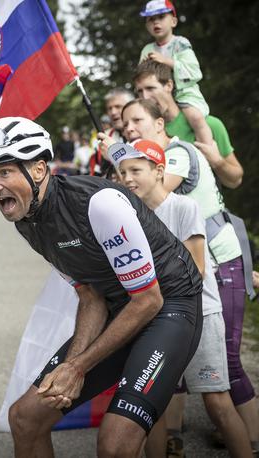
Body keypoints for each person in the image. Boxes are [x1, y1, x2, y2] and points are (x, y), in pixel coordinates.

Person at [0, 116, 203, 457]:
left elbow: (148, 301)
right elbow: (89, 294)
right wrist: (71, 366)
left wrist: (77, 367)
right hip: (121, 307)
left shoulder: (99, 205)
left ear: (37, 170)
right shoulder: (28, 220)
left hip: (169, 308)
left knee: (114, 444)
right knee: (25, 419)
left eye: (4, 172)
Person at [117, 98, 259, 455]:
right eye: (123, 173)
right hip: (160, 316)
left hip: (200, 314)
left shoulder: (184, 207)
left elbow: (195, 270)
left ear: (159, 171)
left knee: (216, 401)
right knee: (154, 407)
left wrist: (146, 286)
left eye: (137, 170)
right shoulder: (130, 216)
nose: (128, 179)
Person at [134, 59, 244, 189]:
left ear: (169, 85)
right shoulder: (142, 133)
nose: (145, 97)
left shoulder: (208, 124)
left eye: (150, 88)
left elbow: (235, 180)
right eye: (140, 91)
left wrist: (217, 161)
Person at [138, 0, 213, 146]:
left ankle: (207, 147)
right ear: (146, 25)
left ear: (173, 21)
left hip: (184, 93)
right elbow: (141, 76)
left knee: (195, 116)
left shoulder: (181, 43)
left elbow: (194, 72)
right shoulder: (147, 49)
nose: (156, 23)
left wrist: (166, 61)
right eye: (151, 20)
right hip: (157, 96)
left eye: (160, 17)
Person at [90, 88, 135, 177]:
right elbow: (97, 174)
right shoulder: (104, 137)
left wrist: (114, 155)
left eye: (118, 107)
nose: (113, 112)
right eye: (109, 108)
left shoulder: (145, 133)